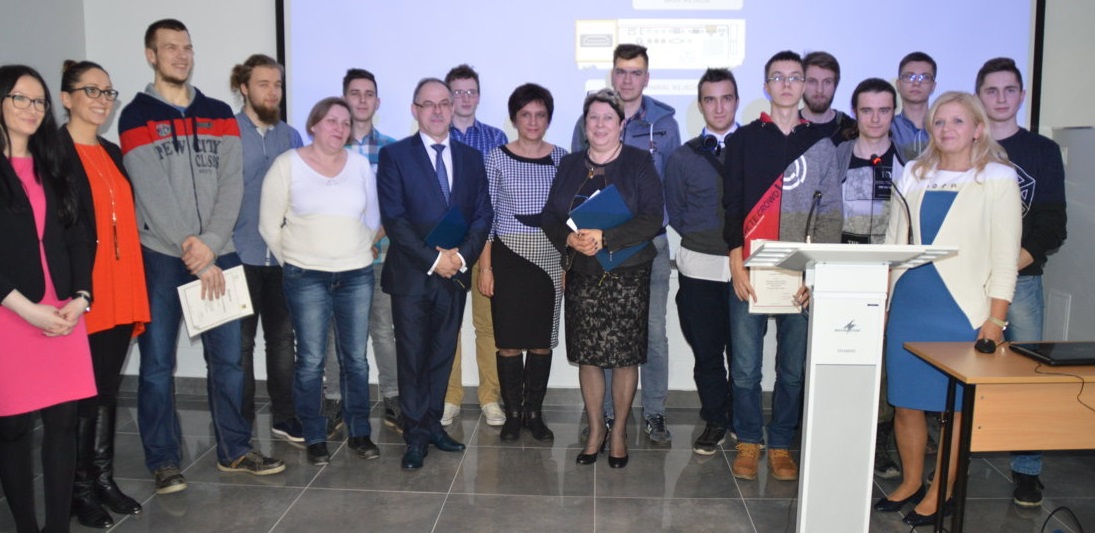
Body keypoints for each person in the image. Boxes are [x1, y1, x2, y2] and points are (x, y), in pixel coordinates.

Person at [119, 18, 284, 494]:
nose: (181, 55)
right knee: (157, 364)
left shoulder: (218, 113)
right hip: (161, 255)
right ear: (151, 55)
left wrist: (210, 244)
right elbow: (150, 193)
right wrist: (193, 249)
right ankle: (164, 460)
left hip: (221, 253)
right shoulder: (135, 116)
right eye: (170, 47)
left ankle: (235, 450)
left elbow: (232, 186)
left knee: (229, 360)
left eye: (187, 47)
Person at [876, 91, 1021, 527]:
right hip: (910, 302)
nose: (947, 129)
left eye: (958, 121)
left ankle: (942, 491)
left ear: (978, 128)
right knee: (906, 402)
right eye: (939, 122)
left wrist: (995, 320)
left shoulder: (998, 178)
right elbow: (894, 243)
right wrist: (884, 303)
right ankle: (911, 482)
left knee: (956, 410)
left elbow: (1005, 259)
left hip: (963, 311)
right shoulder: (913, 173)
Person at [723, 50, 843, 482]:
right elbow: (732, 204)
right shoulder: (743, 140)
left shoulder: (822, 145)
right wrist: (736, 261)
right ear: (766, 86)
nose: (788, 84)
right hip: (751, 268)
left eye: (796, 77)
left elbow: (831, 214)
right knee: (745, 369)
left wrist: (816, 272)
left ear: (806, 85)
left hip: (801, 273)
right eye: (778, 77)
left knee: (792, 371)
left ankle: (780, 444)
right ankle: (748, 440)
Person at [544, 88, 664, 469]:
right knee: (589, 356)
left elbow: (652, 218)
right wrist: (568, 239)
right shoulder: (569, 164)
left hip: (628, 273)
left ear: (621, 124)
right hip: (583, 273)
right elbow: (549, 216)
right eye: (593, 118)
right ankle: (596, 429)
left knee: (626, 356)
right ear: (584, 125)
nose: (599, 125)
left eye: (608, 118)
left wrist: (605, 237)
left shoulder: (639, 162)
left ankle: (619, 433)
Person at [376, 78, 492, 470]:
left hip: (454, 274)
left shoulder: (471, 158)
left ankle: (433, 425)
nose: (438, 110)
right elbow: (395, 219)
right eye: (429, 104)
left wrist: (461, 257)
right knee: (412, 358)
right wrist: (433, 259)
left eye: (445, 102)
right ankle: (414, 435)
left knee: (443, 354)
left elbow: (483, 213)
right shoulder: (394, 156)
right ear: (415, 110)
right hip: (412, 275)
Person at [0, 63, 96, 533]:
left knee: (63, 423)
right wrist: (25, 309)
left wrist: (81, 296)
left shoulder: (55, 162)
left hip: (63, 312)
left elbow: (79, 234)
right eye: (20, 98)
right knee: (13, 428)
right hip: (10, 312)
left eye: (39, 101)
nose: (32, 108)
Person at [259, 97, 381, 466]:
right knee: (311, 361)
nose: (340, 128)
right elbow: (269, 225)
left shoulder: (359, 165)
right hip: (305, 276)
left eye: (345, 123)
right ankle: (314, 436)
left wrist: (356, 250)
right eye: (331, 121)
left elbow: (373, 218)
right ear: (314, 124)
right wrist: (296, 262)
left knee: (355, 360)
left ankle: (360, 433)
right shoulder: (287, 165)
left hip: (356, 274)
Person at [571, 43, 680, 444]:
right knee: (600, 334)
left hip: (648, 246)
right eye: (621, 71)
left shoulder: (666, 124)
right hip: (596, 249)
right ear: (612, 75)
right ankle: (602, 416)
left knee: (651, 333)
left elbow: (670, 186)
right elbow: (576, 186)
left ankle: (654, 412)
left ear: (646, 77)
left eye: (636, 72)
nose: (628, 79)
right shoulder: (589, 120)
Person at [59, 60, 150, 528]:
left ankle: (102, 479)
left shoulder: (112, 152)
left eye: (108, 92)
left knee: (106, 388)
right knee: (82, 393)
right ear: (66, 97)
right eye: (91, 90)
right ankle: (79, 490)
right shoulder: (52, 153)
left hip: (120, 284)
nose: (101, 99)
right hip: (80, 291)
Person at [976, 57, 1067, 508]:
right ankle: (953, 462)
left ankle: (1027, 471)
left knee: (1028, 374)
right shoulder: (965, 146)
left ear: (1022, 96)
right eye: (991, 90)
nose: (1000, 98)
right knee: (965, 371)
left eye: (1009, 89)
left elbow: (1053, 223)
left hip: (1023, 280)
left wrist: (1008, 267)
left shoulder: (1042, 151)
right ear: (979, 96)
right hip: (969, 282)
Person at [479, 83, 566, 442]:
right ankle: (513, 414)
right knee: (509, 342)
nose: (533, 121)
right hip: (508, 257)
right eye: (525, 114)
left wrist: (567, 264)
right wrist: (486, 267)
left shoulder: (563, 158)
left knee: (542, 341)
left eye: (540, 115)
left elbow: (568, 217)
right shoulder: (496, 157)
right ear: (514, 118)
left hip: (550, 259)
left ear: (548, 119)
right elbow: (486, 216)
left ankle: (534, 413)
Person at [834, 78, 906, 481]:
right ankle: (835, 433)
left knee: (882, 364)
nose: (875, 118)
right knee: (840, 354)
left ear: (894, 112)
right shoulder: (836, 157)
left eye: (883, 110)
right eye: (866, 110)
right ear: (855, 112)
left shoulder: (912, 164)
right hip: (841, 271)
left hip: (891, 274)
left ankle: (877, 441)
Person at [230, 54, 305, 443]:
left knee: (282, 341)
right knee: (239, 346)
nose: (273, 92)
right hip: (236, 255)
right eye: (264, 84)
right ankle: (239, 425)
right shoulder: (226, 134)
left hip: (282, 256)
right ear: (244, 87)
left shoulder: (291, 137)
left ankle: (285, 417)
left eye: (277, 85)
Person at [664, 68, 739, 456]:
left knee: (743, 355)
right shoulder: (682, 156)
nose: (719, 107)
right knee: (707, 352)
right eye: (710, 99)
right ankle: (715, 419)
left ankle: (743, 422)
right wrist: (705, 236)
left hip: (746, 266)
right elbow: (676, 211)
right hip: (699, 266)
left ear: (736, 101)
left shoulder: (754, 149)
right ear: (700, 105)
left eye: (726, 98)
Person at [441, 64, 509, 428]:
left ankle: (490, 398)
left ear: (479, 96)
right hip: (447, 249)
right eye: (458, 92)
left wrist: (489, 257)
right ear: (448, 97)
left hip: (486, 246)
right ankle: (450, 397)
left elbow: (499, 197)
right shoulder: (436, 136)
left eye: (471, 92)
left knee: (488, 327)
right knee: (448, 327)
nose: (465, 98)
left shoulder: (497, 137)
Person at [339, 68, 400, 432]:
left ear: (378, 102)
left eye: (368, 94)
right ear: (344, 98)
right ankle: (336, 399)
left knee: (384, 330)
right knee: (340, 333)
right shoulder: (330, 146)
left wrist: (376, 237)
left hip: (382, 254)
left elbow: (397, 202)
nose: (362, 100)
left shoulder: (392, 149)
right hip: (339, 259)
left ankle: (393, 397)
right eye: (355, 93)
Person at [800, 51, 856, 144]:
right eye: (812, 81)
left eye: (827, 82)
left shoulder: (853, 130)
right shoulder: (783, 129)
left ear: (835, 85)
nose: (820, 90)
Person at [891, 52, 938, 162]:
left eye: (925, 77)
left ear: (933, 86)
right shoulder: (887, 127)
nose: (916, 83)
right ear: (898, 84)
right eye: (909, 77)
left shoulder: (944, 127)